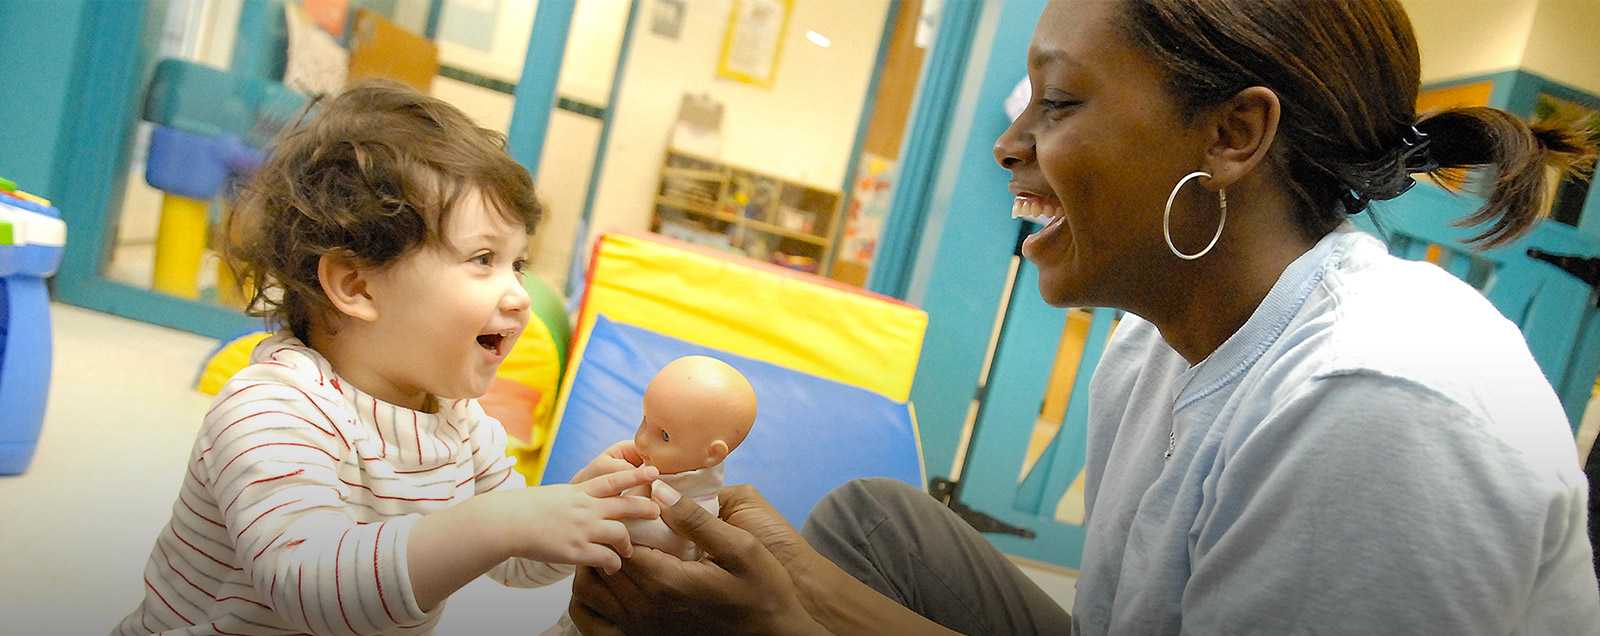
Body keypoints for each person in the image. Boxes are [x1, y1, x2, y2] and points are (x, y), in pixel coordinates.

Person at [567, 0, 1600, 634]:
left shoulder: (1380, 406)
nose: (1007, 148)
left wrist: (788, 630)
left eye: (1055, 105)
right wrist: (788, 585)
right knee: (867, 526)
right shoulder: (1149, 347)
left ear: (1233, 133)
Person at [114, 81, 660, 635]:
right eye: (482, 258)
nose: (519, 295)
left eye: (517, 263)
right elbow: (311, 590)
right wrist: (498, 522)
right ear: (358, 286)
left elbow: (516, 560)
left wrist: (580, 507)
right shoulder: (272, 411)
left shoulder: (458, 422)